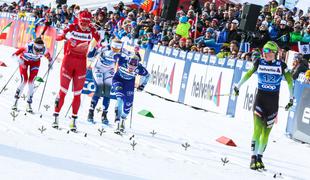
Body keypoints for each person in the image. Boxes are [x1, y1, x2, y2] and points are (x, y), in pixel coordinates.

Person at [233, 41, 294, 170]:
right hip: (260, 99)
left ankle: (260, 157)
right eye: (265, 51)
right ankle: (253, 158)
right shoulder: (258, 62)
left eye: (270, 52)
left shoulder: (282, 65)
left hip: (273, 102)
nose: (267, 54)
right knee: (257, 130)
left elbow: (290, 81)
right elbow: (248, 74)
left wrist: (291, 97)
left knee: (266, 134)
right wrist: (238, 86)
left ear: (275, 53)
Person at [52, 10, 101, 131]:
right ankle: (55, 117)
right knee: (63, 91)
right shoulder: (72, 26)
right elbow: (57, 37)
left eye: (86, 22)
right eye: (82, 22)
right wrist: (66, 36)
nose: (84, 25)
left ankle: (73, 121)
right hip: (68, 61)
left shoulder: (91, 29)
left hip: (81, 64)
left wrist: (99, 40)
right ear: (78, 20)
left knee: (77, 93)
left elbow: (100, 39)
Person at [86, 39, 125, 125]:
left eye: (117, 50)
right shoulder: (104, 48)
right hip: (98, 69)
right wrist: (95, 48)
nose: (115, 51)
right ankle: (90, 113)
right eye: (114, 49)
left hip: (109, 70)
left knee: (107, 91)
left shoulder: (122, 51)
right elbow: (90, 56)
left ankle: (104, 114)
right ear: (111, 46)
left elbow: (129, 59)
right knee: (99, 89)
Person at [11, 37, 52, 113]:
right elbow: (13, 55)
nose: (38, 52)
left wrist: (50, 62)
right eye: (36, 50)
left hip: (35, 63)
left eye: (40, 50)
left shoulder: (44, 50)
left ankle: (28, 103)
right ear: (34, 46)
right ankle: (15, 102)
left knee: (31, 82)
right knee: (24, 81)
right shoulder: (27, 47)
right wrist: (20, 62)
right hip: (24, 61)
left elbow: (49, 57)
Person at [112, 55, 150, 133]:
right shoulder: (122, 60)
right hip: (118, 80)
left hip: (129, 84)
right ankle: (117, 122)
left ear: (137, 65)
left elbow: (148, 75)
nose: (131, 67)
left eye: (134, 65)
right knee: (119, 98)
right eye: (130, 64)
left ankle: (123, 119)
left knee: (128, 105)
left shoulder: (140, 69)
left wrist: (142, 85)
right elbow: (114, 54)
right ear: (127, 62)